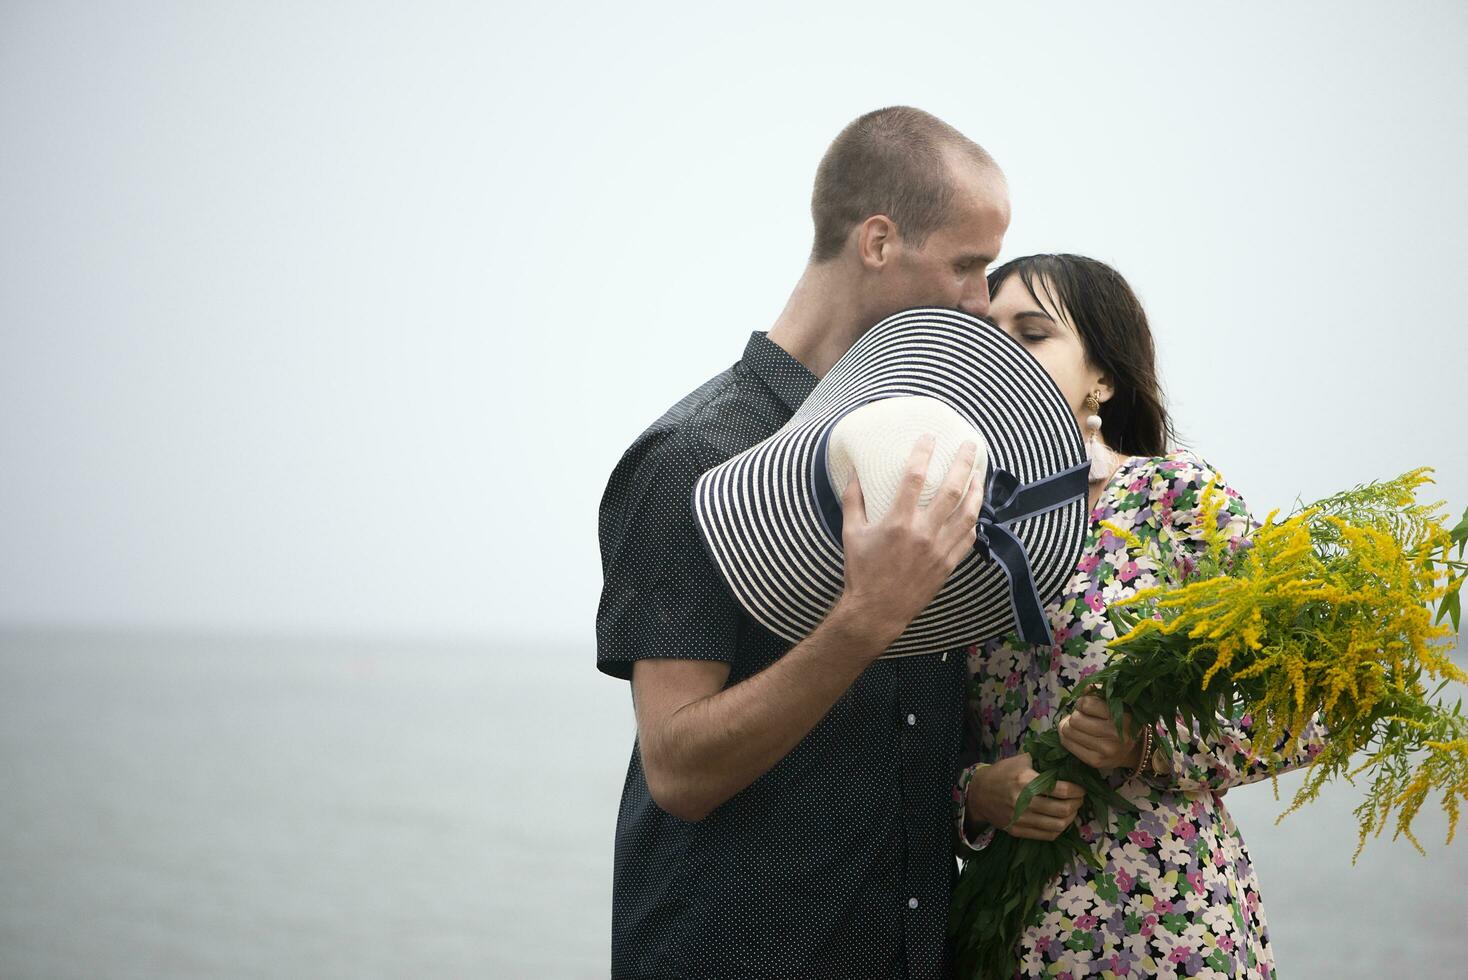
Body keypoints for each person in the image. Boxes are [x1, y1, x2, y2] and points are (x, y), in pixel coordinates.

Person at [595, 107, 1030, 979]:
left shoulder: (931, 444)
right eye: (967, 264)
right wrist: (864, 619)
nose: (984, 302)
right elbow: (678, 768)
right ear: (877, 242)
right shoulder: (696, 456)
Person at [954, 253, 1327, 978]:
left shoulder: (1174, 496)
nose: (1000, 351)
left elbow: (1307, 707)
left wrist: (1149, 742)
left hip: (1168, 922)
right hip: (1007, 936)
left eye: (1031, 334)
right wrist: (976, 796)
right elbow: (904, 736)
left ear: (1103, 376)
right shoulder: (947, 524)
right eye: (983, 332)